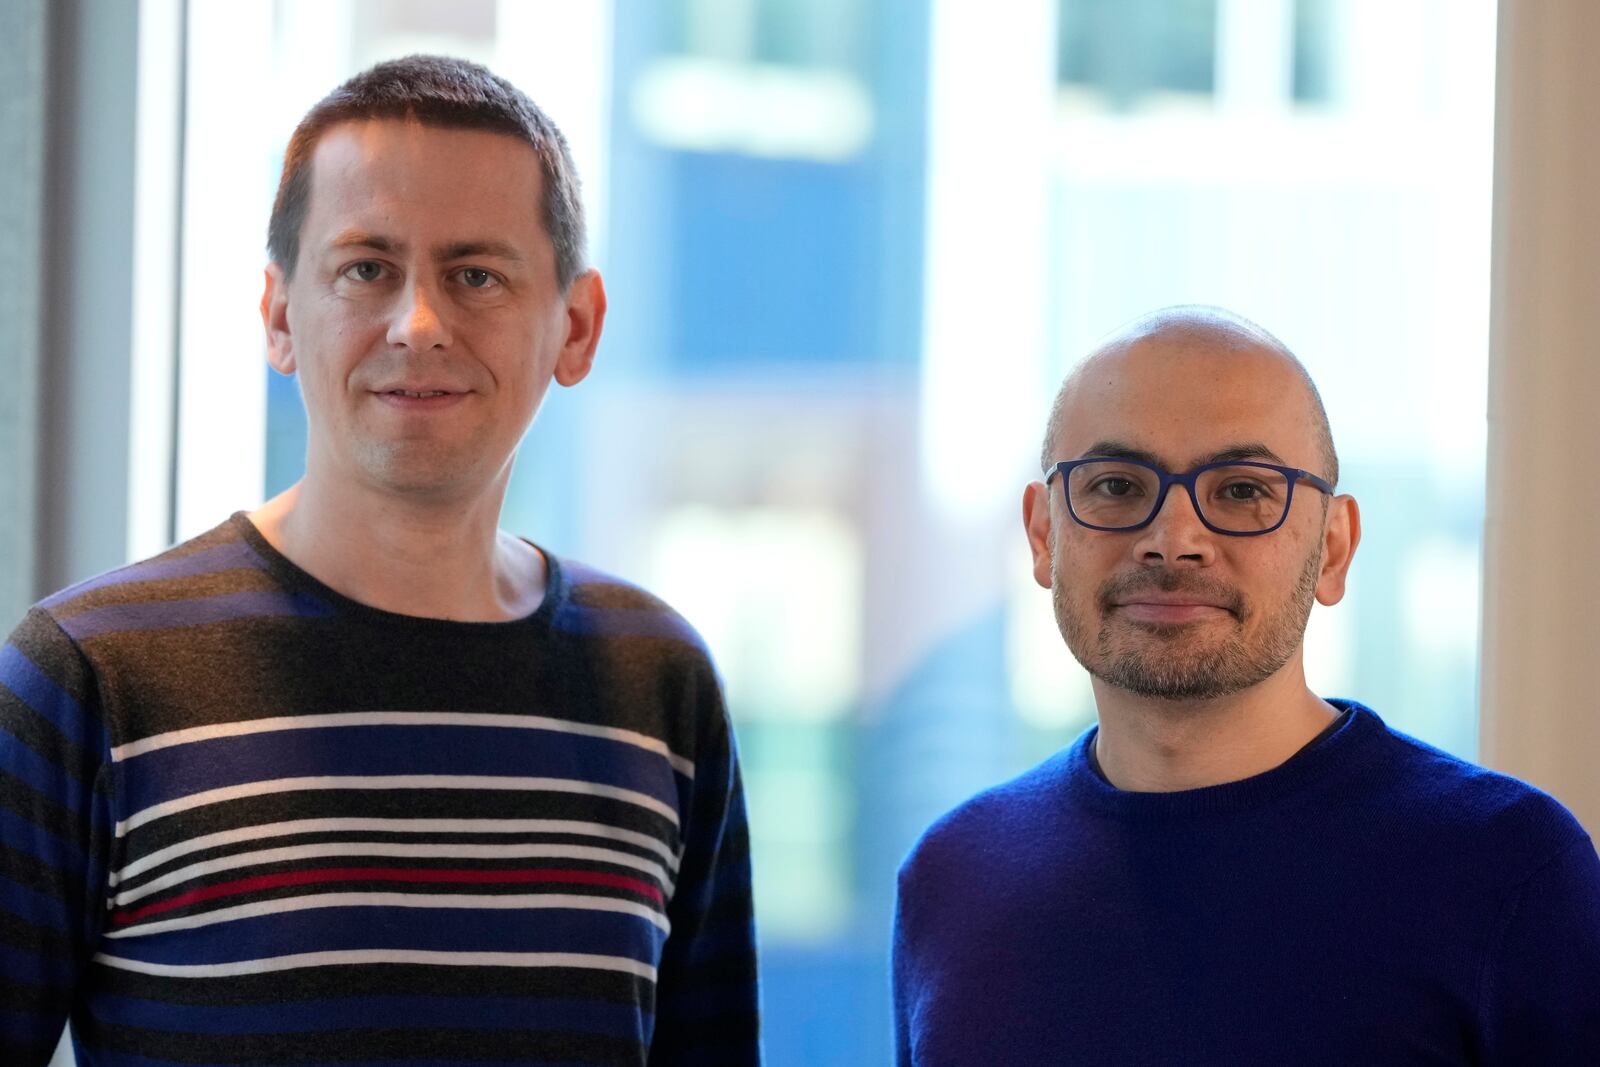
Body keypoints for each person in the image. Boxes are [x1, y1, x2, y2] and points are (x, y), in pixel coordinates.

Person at [0, 55, 759, 1066]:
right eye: (366, 268)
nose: (419, 323)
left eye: (475, 273)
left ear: (574, 327)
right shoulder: (89, 677)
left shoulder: (656, 681)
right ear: (278, 314)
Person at [892, 306, 1600, 1065]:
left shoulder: (1509, 873)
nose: (1173, 538)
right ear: (1043, 536)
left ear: (1332, 549)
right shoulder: (952, 876)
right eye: (1116, 485)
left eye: (1241, 491)